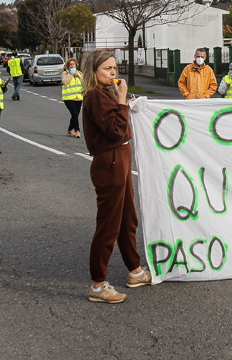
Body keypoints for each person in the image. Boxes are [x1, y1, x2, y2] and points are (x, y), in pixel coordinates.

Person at [81, 51, 151, 303]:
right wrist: (122, 102)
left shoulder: (104, 94)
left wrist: (123, 103)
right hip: (110, 160)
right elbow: (116, 130)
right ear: (93, 71)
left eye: (114, 67)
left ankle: (135, 270)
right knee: (109, 224)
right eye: (107, 68)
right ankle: (98, 284)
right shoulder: (95, 96)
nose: (113, 72)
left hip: (118, 158)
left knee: (127, 219)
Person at [61, 58, 84, 137]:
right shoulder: (65, 73)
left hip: (79, 98)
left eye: (73, 64)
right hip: (68, 98)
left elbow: (85, 83)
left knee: (75, 115)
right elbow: (65, 82)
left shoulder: (79, 73)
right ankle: (77, 130)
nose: (72, 66)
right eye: (70, 64)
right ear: (68, 66)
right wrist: (71, 75)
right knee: (74, 114)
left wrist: (78, 76)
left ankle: (70, 129)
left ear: (76, 65)